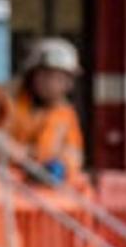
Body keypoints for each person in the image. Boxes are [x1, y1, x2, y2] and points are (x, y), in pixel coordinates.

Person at [5, 35, 86, 182]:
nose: (52, 83)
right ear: (32, 76)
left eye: (60, 78)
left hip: (41, 188)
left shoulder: (65, 115)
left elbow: (74, 155)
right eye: (47, 75)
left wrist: (60, 166)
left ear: (69, 83)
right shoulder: (8, 105)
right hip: (4, 183)